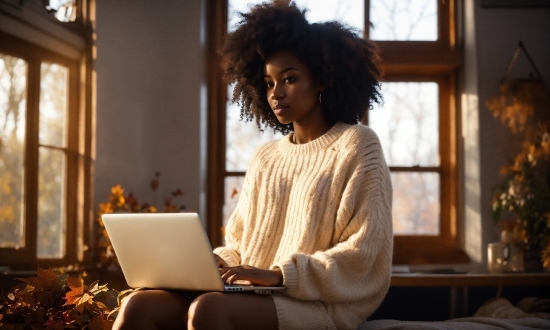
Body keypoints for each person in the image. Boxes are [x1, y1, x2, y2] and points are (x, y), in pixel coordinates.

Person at [112, 1, 393, 329]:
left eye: (289, 79)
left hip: (321, 305)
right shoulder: (266, 157)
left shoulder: (357, 145)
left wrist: (279, 275)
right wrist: (216, 264)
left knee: (210, 310)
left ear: (322, 80)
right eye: (269, 83)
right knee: (139, 305)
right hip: (253, 293)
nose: (276, 93)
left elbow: (363, 254)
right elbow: (242, 244)